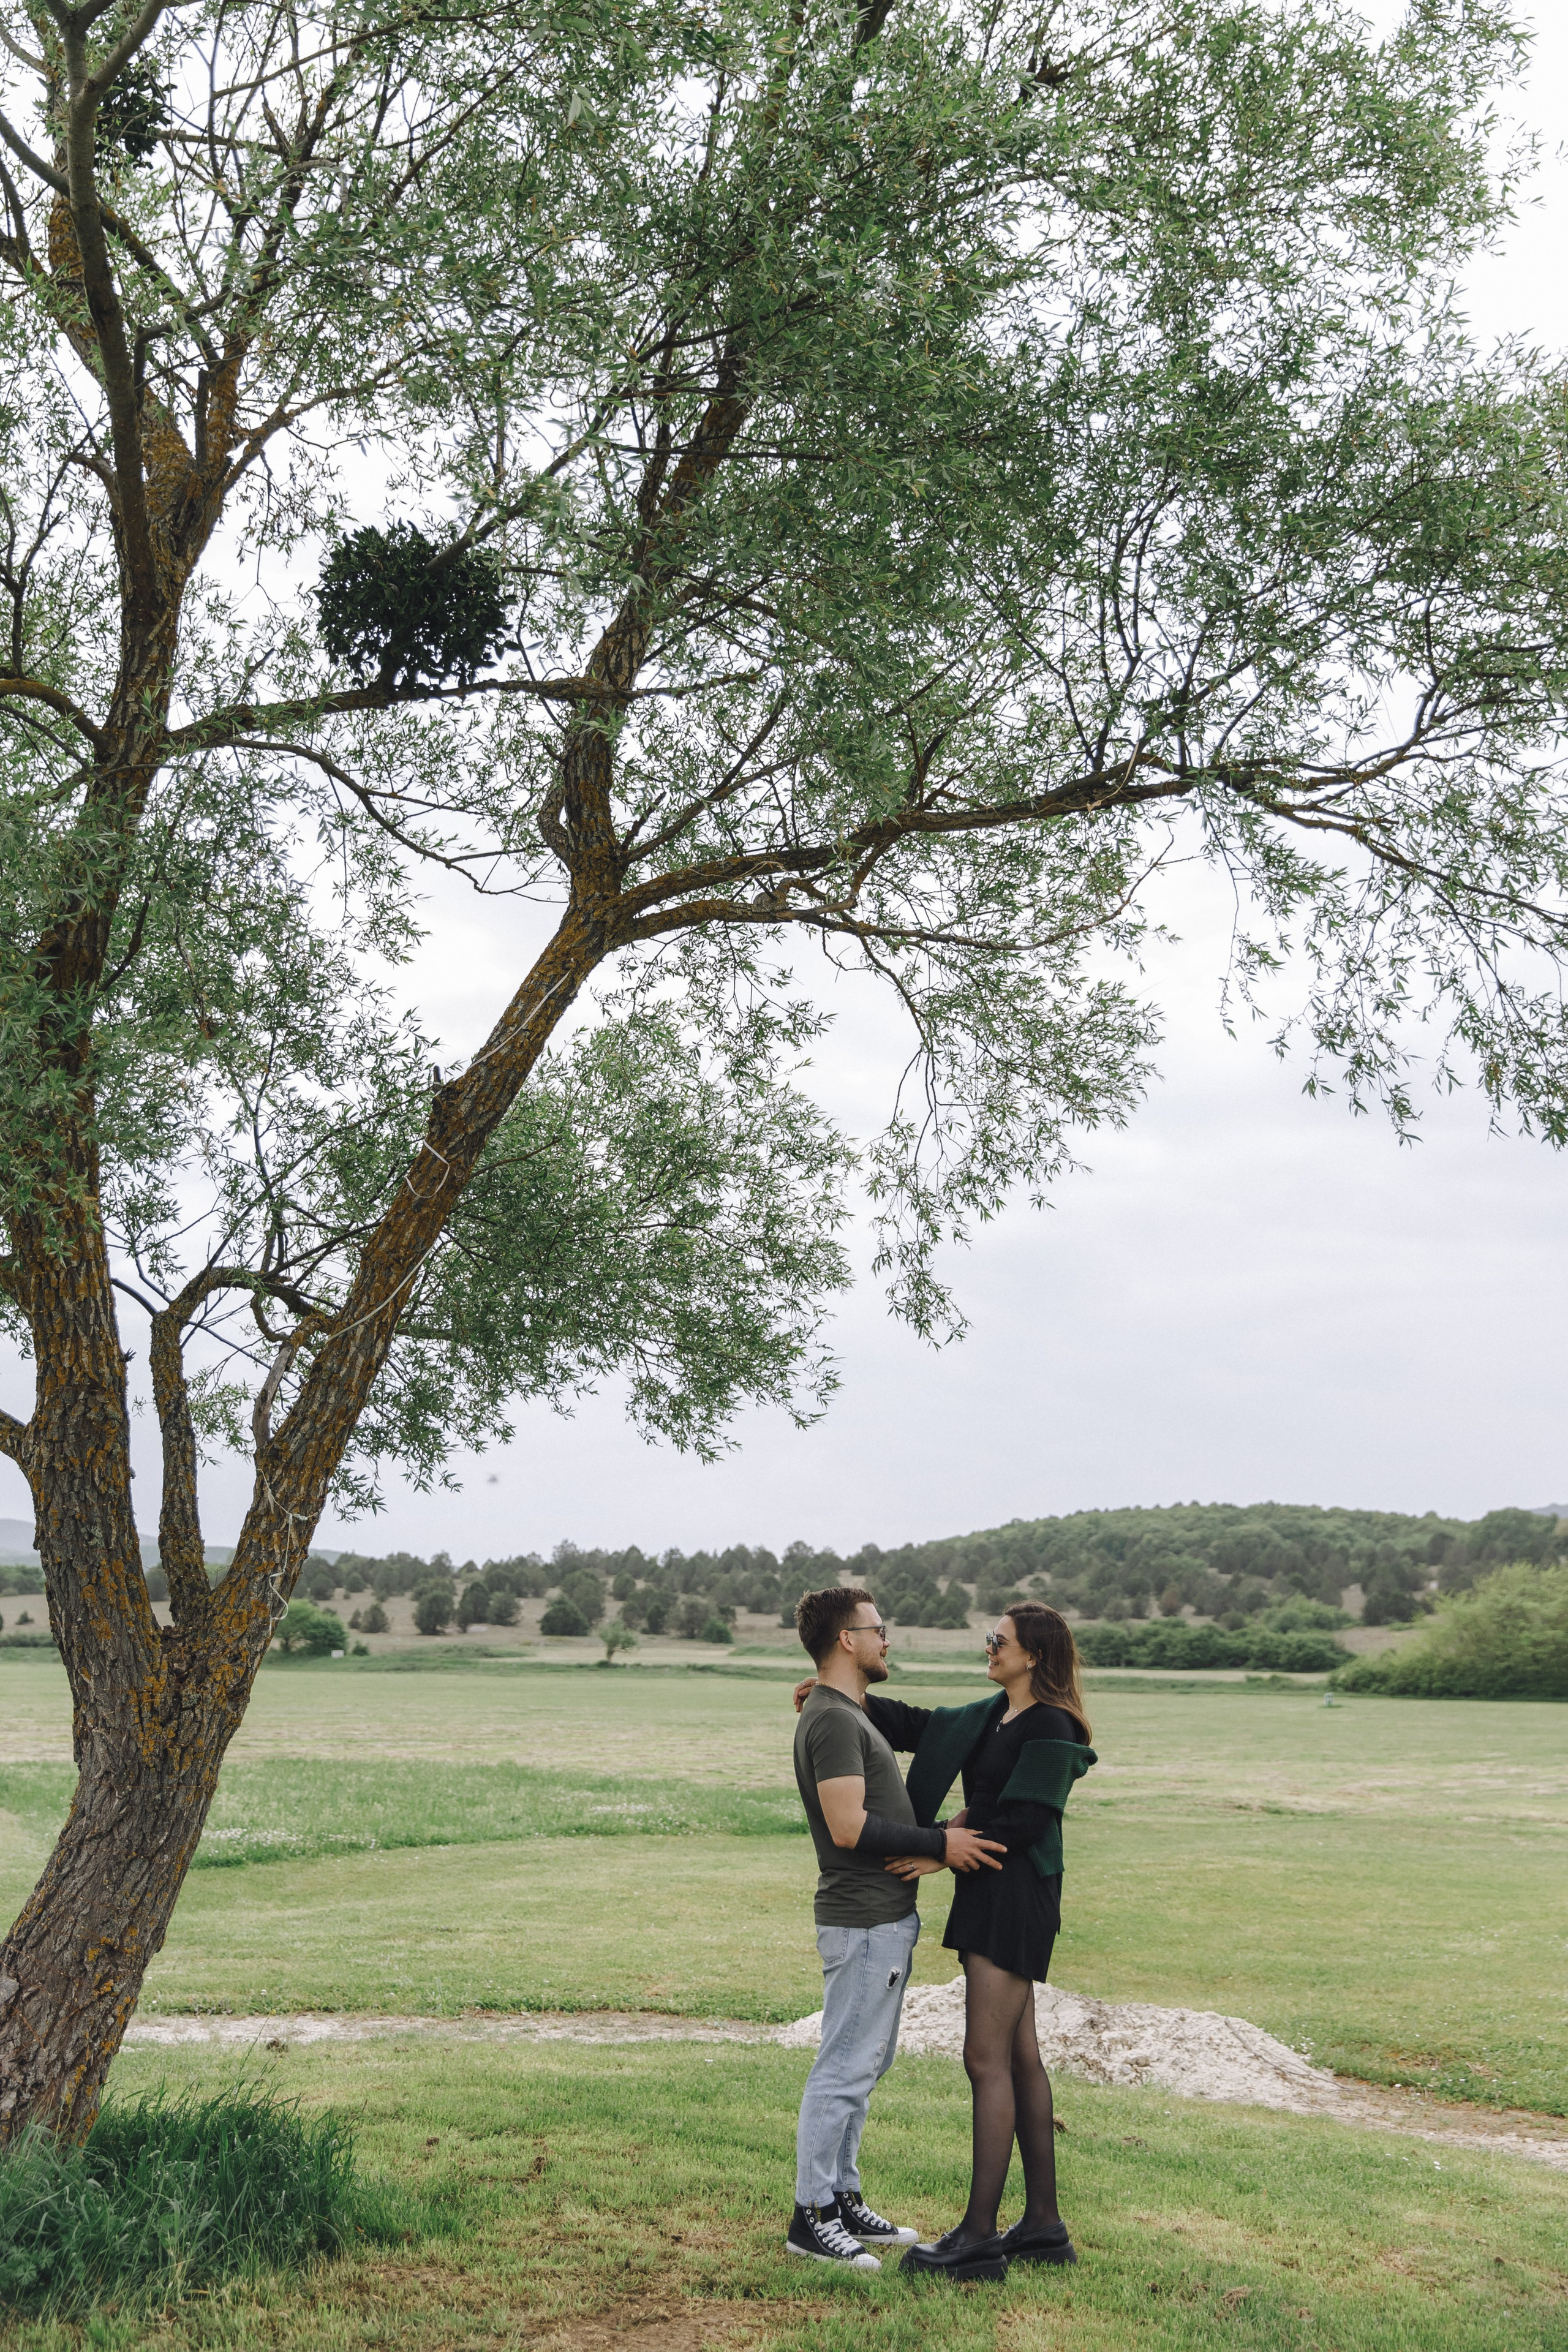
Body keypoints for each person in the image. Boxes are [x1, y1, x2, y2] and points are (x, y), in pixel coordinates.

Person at [794, 1602, 1096, 2283]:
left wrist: (937, 1851)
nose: (989, 1648)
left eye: (1001, 1641)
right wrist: (833, 1693)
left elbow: (1024, 1818)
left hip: (1015, 1898)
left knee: (985, 2061)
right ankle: (1044, 2226)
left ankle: (978, 2237)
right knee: (1019, 2059)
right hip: (990, 1893)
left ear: (1035, 1657)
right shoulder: (997, 1714)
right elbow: (920, 1727)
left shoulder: (1052, 1723)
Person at [787, 1585, 1009, 2272]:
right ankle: (810, 2215)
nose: (888, 1639)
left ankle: (843, 2195)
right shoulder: (830, 1720)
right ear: (846, 1641)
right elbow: (848, 1827)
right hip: (861, 1921)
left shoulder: (852, 1713)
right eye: (877, 1629)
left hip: (882, 1920)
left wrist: (934, 1836)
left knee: (866, 2062)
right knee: (845, 2066)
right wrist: (941, 1845)